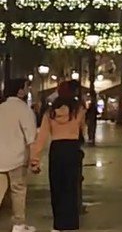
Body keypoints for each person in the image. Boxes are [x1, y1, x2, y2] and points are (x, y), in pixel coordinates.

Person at [31, 80, 85, 232]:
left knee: (57, 187)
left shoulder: (50, 112)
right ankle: (71, 223)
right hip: (72, 149)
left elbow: (41, 137)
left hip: (57, 149)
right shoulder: (78, 109)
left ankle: (58, 224)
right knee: (71, 187)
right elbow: (83, 131)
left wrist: (35, 160)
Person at [0, 78, 38, 232]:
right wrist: (34, 160)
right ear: (20, 91)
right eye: (26, 87)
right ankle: (19, 224)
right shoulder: (24, 110)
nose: (27, 90)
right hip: (17, 157)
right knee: (18, 191)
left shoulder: (1, 108)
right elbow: (31, 137)